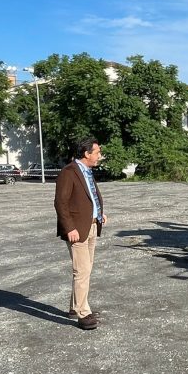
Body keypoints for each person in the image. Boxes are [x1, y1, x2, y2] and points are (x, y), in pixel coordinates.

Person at [54, 137, 108, 330]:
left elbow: (89, 197)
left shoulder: (87, 171)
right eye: (97, 152)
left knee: (85, 270)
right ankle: (82, 313)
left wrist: (99, 214)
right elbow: (61, 203)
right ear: (87, 154)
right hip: (76, 230)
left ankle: (73, 307)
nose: (99, 156)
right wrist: (69, 228)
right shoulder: (69, 172)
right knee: (82, 271)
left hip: (92, 226)